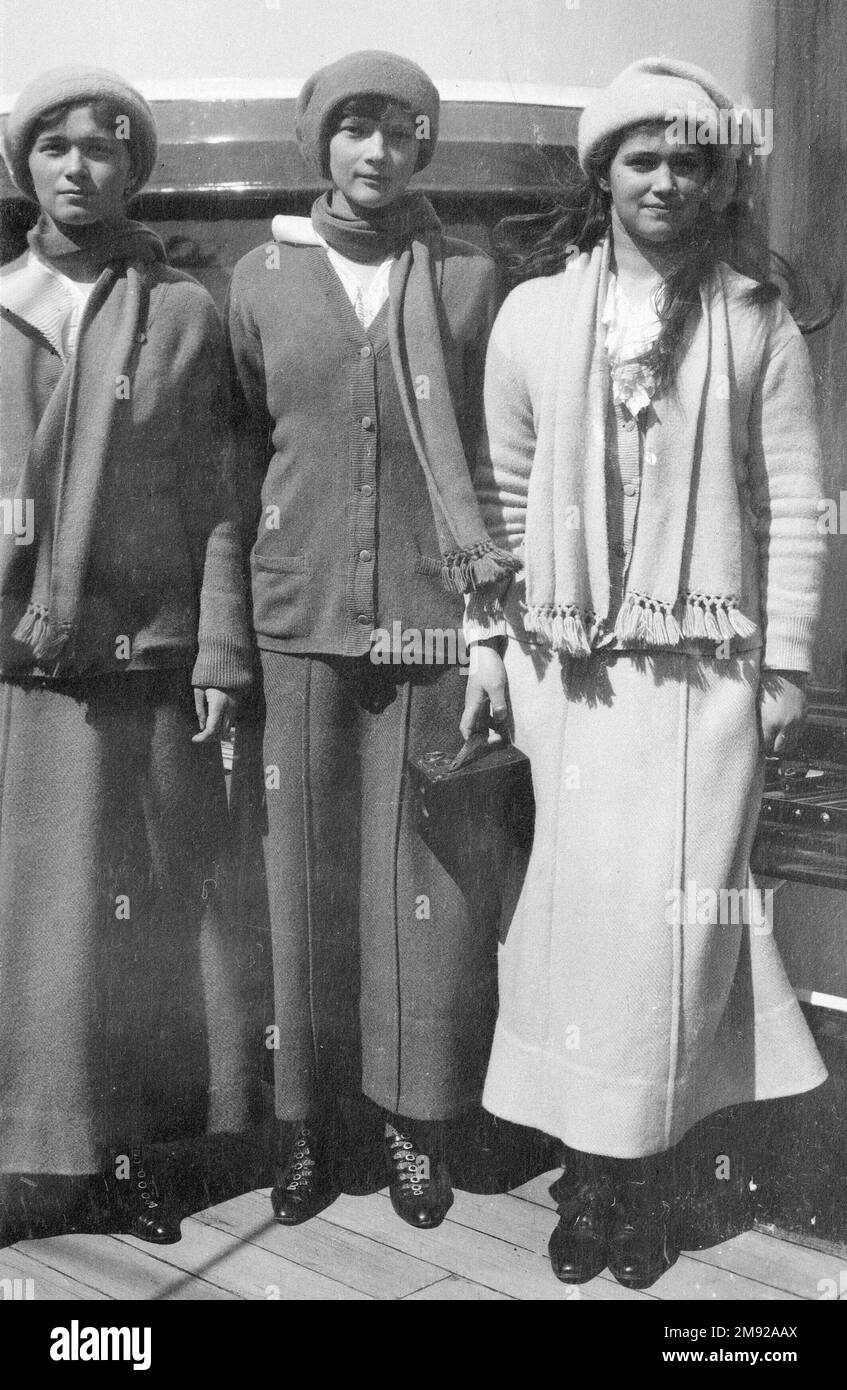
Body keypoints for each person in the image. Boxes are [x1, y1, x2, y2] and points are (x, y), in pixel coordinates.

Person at [461, 56, 830, 1288]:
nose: (666, 181)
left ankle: (654, 1180)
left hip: (701, 684)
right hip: (568, 676)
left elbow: (794, 507)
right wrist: (491, 648)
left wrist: (779, 668)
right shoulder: (531, 317)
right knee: (577, 941)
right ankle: (591, 1186)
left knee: (673, 949)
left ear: (714, 174)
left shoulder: (752, 318)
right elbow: (504, 503)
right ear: (601, 173)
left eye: (688, 159)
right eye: (642, 158)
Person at [227, 49, 517, 1230]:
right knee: (296, 888)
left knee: (424, 895)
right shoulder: (258, 279)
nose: (377, 152)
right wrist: (223, 642)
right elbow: (241, 465)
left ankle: (413, 1124)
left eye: (401, 131)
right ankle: (303, 1126)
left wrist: (492, 628)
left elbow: (498, 468)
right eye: (354, 129)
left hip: (430, 630)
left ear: (421, 149)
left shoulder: (465, 281)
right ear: (319, 145)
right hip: (296, 625)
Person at [0, 67, 255, 1242]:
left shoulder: (186, 314)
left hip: (144, 661)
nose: (77, 166)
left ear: (133, 171)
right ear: (26, 169)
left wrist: (216, 652)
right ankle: (22, 1156)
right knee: (25, 916)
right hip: (19, 667)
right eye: (53, 146)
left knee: (142, 916)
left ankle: (137, 1157)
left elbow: (216, 502)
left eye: (104, 147)